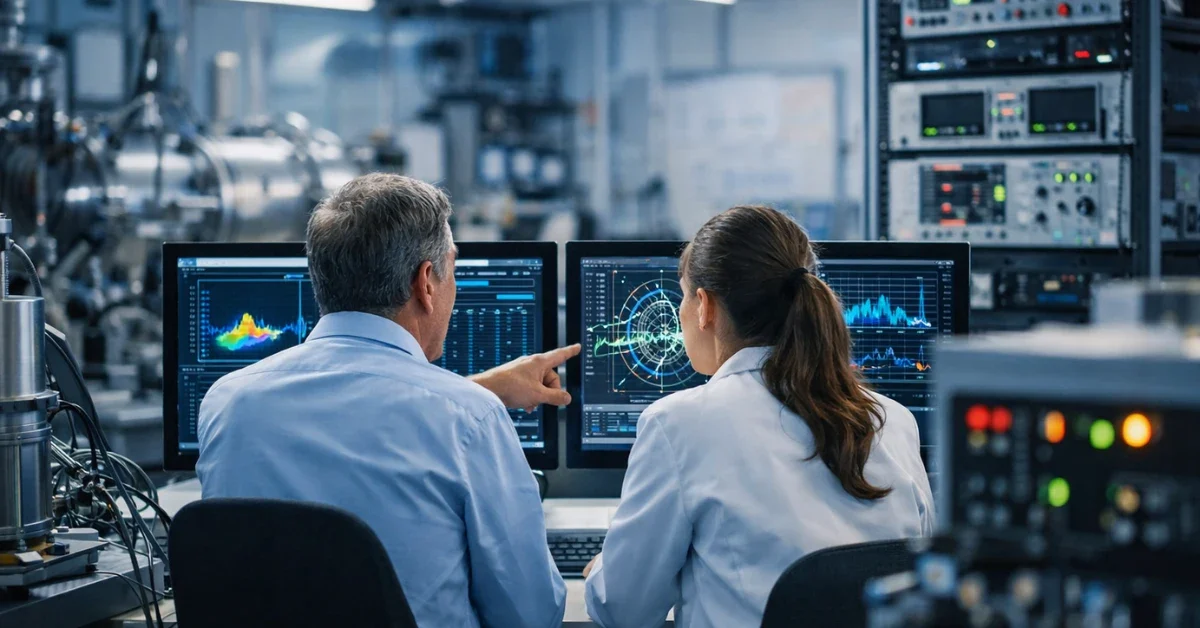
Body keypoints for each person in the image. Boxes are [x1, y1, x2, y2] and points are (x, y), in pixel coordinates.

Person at [196, 173, 574, 628]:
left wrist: (478, 391)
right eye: (453, 268)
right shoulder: (468, 419)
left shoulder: (228, 404)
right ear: (427, 282)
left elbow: (356, 404)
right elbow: (530, 615)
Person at [583, 205, 935, 628]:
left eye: (681, 296)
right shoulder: (892, 420)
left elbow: (623, 612)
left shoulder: (678, 424)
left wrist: (604, 570)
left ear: (703, 306)